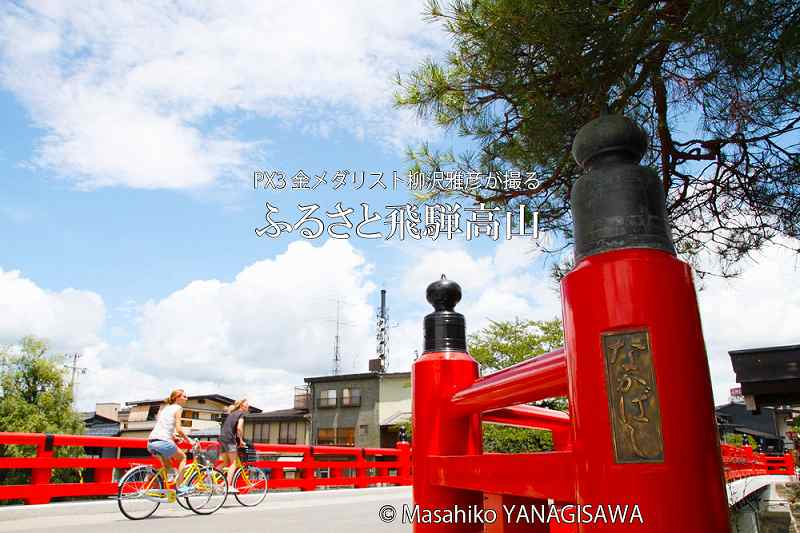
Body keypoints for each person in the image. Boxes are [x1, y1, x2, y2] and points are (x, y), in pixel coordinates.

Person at [147, 389, 193, 495]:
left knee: (167, 466)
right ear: (177, 398)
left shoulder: (166, 409)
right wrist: (189, 440)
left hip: (151, 441)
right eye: (184, 396)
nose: (187, 398)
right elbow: (179, 429)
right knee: (183, 458)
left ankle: (158, 486)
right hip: (163, 441)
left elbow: (164, 426)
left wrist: (173, 436)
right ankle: (180, 486)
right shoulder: (178, 408)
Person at [219, 398, 249, 491]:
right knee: (234, 464)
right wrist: (241, 441)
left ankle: (216, 481)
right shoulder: (241, 414)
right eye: (247, 404)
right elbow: (239, 428)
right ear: (242, 406)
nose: (248, 406)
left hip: (222, 438)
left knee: (224, 463)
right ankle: (228, 486)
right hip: (229, 439)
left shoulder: (232, 414)